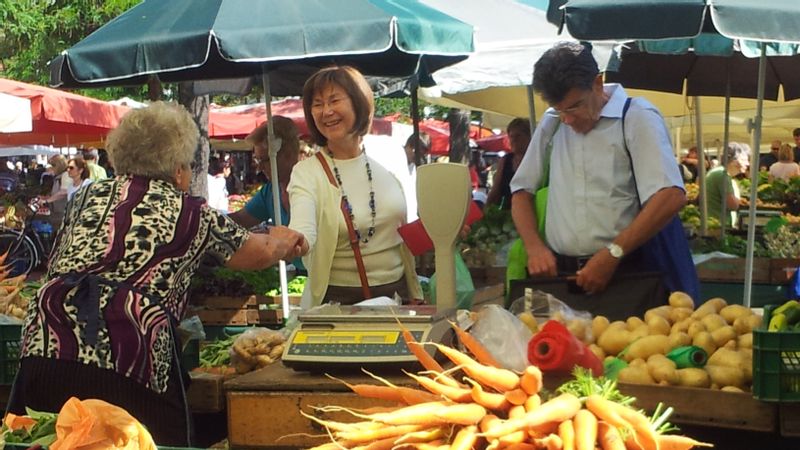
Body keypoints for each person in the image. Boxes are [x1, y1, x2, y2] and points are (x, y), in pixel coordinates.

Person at [7, 102, 304, 447]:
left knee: (46, 437)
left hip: (46, 334)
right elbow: (258, 253)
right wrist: (287, 240)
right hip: (128, 347)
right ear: (178, 168)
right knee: (152, 441)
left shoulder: (85, 195)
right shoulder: (191, 212)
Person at [510, 42, 690, 302]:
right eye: (560, 110)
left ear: (597, 83)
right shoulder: (552, 122)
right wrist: (534, 246)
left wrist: (613, 253)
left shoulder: (636, 116)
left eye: (574, 106)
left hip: (627, 273)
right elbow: (520, 193)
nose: (568, 119)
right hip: (563, 277)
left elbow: (671, 195)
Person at [289, 66, 422, 307]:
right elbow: (303, 229)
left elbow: (406, 231)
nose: (326, 111)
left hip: (399, 300)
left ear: (359, 102)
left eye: (334, 100)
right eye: (317, 104)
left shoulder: (390, 155)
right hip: (339, 307)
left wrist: (445, 231)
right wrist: (291, 242)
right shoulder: (307, 173)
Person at [229, 117, 300, 229]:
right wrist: (205, 220)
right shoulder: (271, 191)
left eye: (265, 160)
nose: (260, 167)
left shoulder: (311, 186)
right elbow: (240, 219)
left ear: (289, 154)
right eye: (257, 160)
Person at [486, 118, 532, 209]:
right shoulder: (505, 160)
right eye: (511, 136)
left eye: (518, 136)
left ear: (529, 137)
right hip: (507, 212)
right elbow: (496, 190)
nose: (514, 140)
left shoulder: (536, 159)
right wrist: (487, 209)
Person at [705, 142, 749, 227]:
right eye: (744, 160)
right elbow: (733, 205)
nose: (747, 164)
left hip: (714, 223)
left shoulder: (718, 172)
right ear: (733, 161)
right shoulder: (722, 175)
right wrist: (739, 201)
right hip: (718, 226)